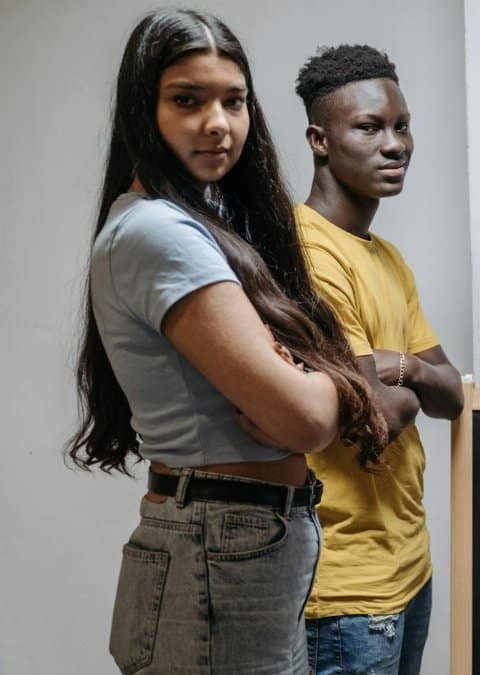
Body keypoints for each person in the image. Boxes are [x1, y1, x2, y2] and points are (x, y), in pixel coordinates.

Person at [68, 9, 387, 672]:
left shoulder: (203, 221)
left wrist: (311, 370)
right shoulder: (161, 235)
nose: (219, 122)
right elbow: (304, 416)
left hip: (238, 546)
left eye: (234, 100)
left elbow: (304, 397)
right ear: (142, 109)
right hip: (214, 550)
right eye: (188, 100)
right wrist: (328, 376)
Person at [293, 44, 464, 675]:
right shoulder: (308, 254)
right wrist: (390, 383)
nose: (395, 144)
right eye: (368, 127)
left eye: (402, 125)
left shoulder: (387, 258)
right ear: (320, 139)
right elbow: (372, 417)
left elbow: (451, 395)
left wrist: (404, 370)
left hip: (408, 566)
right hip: (345, 584)